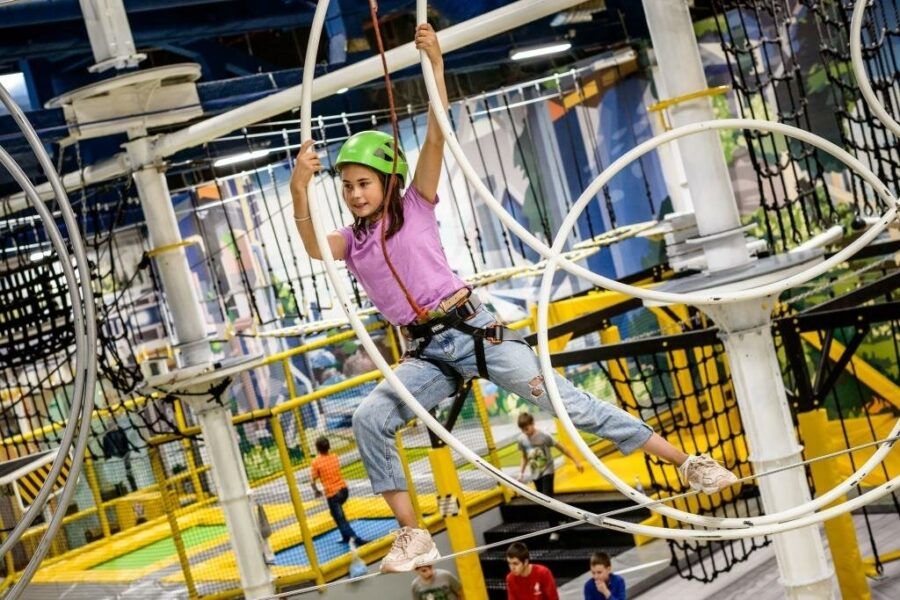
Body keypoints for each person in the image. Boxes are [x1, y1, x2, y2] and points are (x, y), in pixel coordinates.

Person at [290, 22, 737, 573]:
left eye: (364, 183)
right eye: (348, 187)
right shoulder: (352, 244)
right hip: (426, 355)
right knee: (368, 419)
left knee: (570, 406)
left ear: (389, 180)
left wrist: (434, 65)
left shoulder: (418, 205)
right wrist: (298, 189)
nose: (356, 195)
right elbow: (313, 245)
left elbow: (435, 135)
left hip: (473, 330)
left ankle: (686, 462)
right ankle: (414, 534)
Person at [516, 412, 584, 541]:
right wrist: (521, 472)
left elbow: (562, 448)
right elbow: (524, 457)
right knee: (544, 502)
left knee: (547, 499)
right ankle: (564, 517)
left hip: (547, 470)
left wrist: (576, 461)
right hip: (535, 473)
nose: (526, 432)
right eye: (523, 430)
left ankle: (555, 529)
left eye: (527, 428)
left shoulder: (544, 435)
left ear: (532, 424)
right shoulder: (522, 439)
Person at [309, 436, 367, 546]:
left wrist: (316, 491)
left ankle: (355, 538)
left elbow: (312, 481)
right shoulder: (334, 457)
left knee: (340, 519)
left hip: (333, 495)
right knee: (335, 514)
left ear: (317, 449)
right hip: (344, 491)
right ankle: (345, 536)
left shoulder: (316, 462)